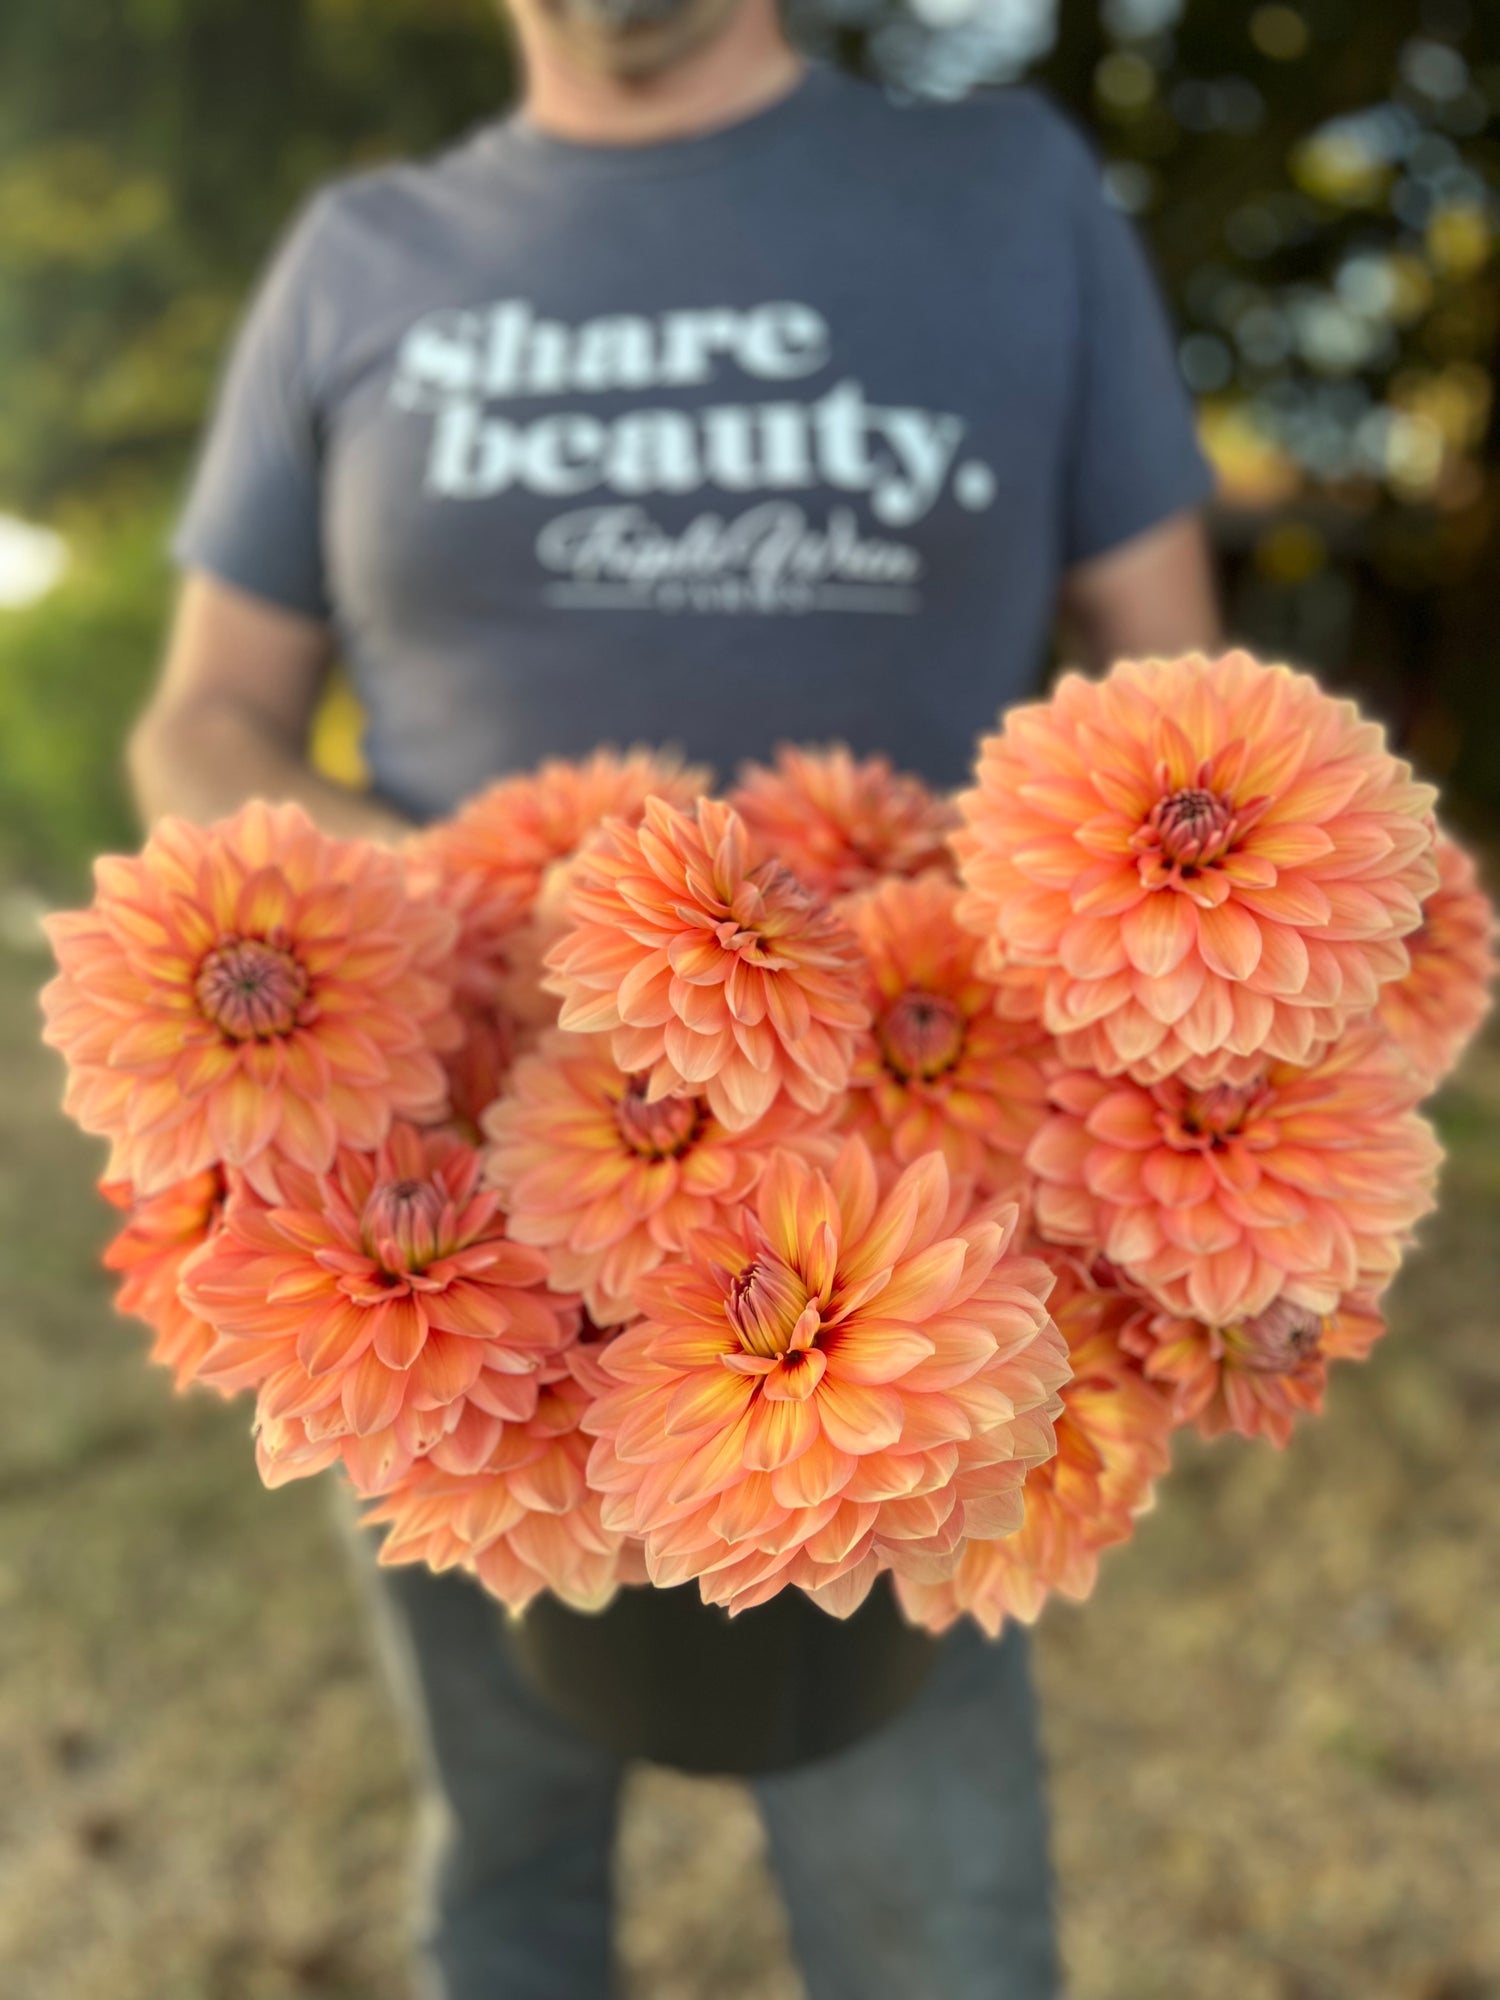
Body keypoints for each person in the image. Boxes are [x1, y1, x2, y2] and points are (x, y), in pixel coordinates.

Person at [128, 0, 1222, 1988]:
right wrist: (407, 912)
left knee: (938, 1915)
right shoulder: (358, 256)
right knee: (507, 1863)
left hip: (895, 1224)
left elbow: (1178, 691)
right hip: (446, 1226)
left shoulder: (1010, 192)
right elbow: (207, 712)